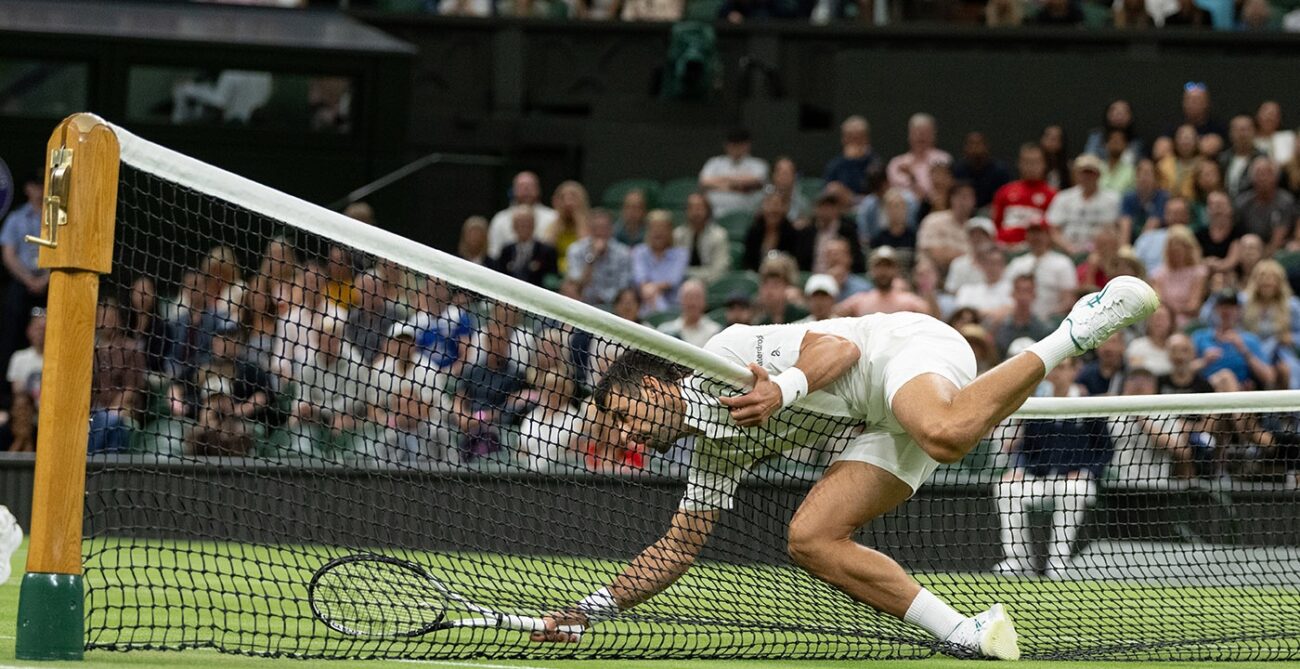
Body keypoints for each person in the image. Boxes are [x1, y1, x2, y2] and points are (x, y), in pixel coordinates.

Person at [533, 275, 1161, 660]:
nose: (620, 432)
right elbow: (679, 545)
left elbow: (841, 346)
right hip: (874, 419)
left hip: (901, 351)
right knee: (810, 538)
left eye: (620, 413)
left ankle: (1072, 332)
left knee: (944, 433)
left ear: (654, 385)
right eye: (611, 426)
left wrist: (782, 389)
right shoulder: (714, 451)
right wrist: (590, 611)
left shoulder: (719, 358)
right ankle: (967, 632)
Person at [994, 354, 1111, 579]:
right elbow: (1026, 449)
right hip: (1040, 478)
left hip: (1077, 480)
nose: (1057, 372)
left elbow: (1105, 450)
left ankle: (1058, 562)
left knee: (1071, 490)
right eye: (1054, 368)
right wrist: (1018, 469)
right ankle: (1017, 561)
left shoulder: (1088, 405)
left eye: (1063, 367)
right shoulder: (1039, 404)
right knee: (1006, 488)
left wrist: (1086, 473)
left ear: (1075, 371)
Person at [0, 171, 48, 404]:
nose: (40, 189)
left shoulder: (55, 218)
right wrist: (29, 280)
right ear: (28, 188)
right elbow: (8, 255)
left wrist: (45, 279)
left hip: (49, 282)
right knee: (12, 309)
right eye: (36, 185)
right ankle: (7, 397)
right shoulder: (16, 219)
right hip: (23, 282)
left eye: (43, 184)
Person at [1192, 289, 1276, 390]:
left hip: (1239, 389)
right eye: (1223, 306)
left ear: (1239, 310)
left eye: (1231, 307)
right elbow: (1183, 372)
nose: (1227, 311)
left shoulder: (1249, 340)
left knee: (1227, 378)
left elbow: (1269, 377)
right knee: (1225, 376)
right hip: (1205, 388)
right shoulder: (1200, 337)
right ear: (1215, 309)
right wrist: (1204, 361)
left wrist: (1244, 351)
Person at [1046, 155, 1122, 256]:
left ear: (1099, 174)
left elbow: (1117, 231)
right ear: (1076, 174)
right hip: (1066, 251)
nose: (1087, 176)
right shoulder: (1063, 197)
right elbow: (1053, 230)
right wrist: (1069, 248)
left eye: (1091, 172)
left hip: (1099, 254)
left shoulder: (1113, 199)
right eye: (1083, 172)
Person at [1005, 222, 1078, 322]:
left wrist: (1051, 316)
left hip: (1049, 319)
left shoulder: (1062, 263)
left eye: (1039, 233)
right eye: (1032, 233)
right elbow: (1006, 293)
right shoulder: (1017, 263)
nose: (1035, 237)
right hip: (1019, 319)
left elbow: (1068, 300)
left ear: (1048, 236)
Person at [563, 209, 633, 308]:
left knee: (628, 296)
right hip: (581, 303)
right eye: (595, 228)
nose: (600, 232)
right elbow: (576, 284)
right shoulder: (575, 249)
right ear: (589, 230)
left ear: (611, 230)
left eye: (604, 228)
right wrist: (592, 258)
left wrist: (603, 298)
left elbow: (623, 286)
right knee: (568, 288)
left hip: (612, 306)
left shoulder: (623, 253)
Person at [992, 144, 1057, 247]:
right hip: (1005, 247)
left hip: (1035, 249)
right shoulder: (1004, 191)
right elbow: (995, 224)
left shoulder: (1052, 195)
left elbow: (1053, 230)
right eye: (1027, 162)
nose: (1031, 166)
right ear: (1019, 164)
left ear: (1044, 164)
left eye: (1035, 162)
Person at [836, 247, 930, 317]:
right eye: (879, 266)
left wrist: (928, 287)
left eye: (888, 266)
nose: (883, 272)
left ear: (896, 270)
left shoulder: (909, 302)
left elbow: (932, 319)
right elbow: (834, 315)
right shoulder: (859, 301)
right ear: (870, 270)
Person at [699, 128, 769, 217]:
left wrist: (721, 184)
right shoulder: (714, 162)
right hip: (716, 214)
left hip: (749, 214)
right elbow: (704, 181)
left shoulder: (759, 164)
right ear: (726, 145)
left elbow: (756, 180)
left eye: (739, 144)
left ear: (747, 145)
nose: (735, 147)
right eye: (732, 144)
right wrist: (736, 186)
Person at [488, 171, 558, 258]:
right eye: (521, 186)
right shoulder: (500, 219)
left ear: (538, 189)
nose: (526, 190)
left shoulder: (553, 217)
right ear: (513, 190)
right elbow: (494, 252)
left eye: (530, 186)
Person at [631, 211, 688, 316]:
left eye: (662, 228)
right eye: (654, 228)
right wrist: (649, 290)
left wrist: (654, 288)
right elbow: (640, 279)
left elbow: (673, 280)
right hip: (644, 303)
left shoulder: (681, 254)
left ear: (670, 231)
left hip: (672, 308)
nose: (658, 232)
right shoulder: (639, 252)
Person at [1235, 158, 1296, 255]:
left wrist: (1265, 255)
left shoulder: (1285, 201)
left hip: (1280, 250)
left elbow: (1278, 238)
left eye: (1267, 173)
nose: (1262, 178)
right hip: (1250, 248)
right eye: (1258, 174)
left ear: (1276, 177)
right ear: (1252, 178)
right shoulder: (1243, 203)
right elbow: (1237, 235)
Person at [1151, 226, 1207, 327]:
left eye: (1181, 245)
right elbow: (1157, 304)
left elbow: (1193, 307)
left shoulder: (1199, 273)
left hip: (1188, 322)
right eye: (1172, 245)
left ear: (1189, 248)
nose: (1176, 249)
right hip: (1164, 321)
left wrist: (1172, 309)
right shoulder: (1158, 274)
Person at [887, 113, 952, 200]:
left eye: (925, 132)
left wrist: (913, 178)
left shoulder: (942, 160)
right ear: (909, 135)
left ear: (933, 135)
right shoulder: (896, 163)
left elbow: (936, 194)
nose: (921, 136)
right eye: (917, 132)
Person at [742, 193, 813, 272]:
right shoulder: (754, 232)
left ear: (785, 208)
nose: (773, 209)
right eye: (769, 204)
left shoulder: (793, 234)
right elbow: (748, 263)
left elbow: (796, 263)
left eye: (777, 205)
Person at [917, 181, 976, 272]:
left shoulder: (975, 227)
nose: (963, 202)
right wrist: (966, 256)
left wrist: (950, 252)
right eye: (960, 197)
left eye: (968, 197)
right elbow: (936, 254)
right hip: (933, 274)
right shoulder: (933, 220)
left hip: (963, 276)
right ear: (951, 198)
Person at [673, 192, 730, 285]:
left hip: (710, 284)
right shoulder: (677, 235)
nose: (695, 213)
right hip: (682, 285)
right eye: (691, 208)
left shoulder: (719, 235)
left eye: (699, 208)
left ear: (708, 211)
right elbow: (673, 268)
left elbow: (720, 271)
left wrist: (689, 275)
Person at [991, 274, 1052, 359]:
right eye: (1019, 291)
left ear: (1034, 295)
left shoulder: (1044, 330)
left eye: (1027, 291)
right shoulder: (1001, 330)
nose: (1023, 296)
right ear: (1012, 294)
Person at [496, 206, 559, 286]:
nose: (524, 226)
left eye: (527, 223)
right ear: (513, 226)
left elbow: (552, 281)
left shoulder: (546, 251)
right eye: (520, 223)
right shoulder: (506, 251)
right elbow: (500, 277)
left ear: (534, 225)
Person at [951, 131, 1012, 209]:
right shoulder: (958, 170)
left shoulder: (1000, 171)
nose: (975, 148)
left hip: (991, 212)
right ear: (965, 148)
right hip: (964, 210)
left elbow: (1005, 196)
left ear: (986, 146)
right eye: (971, 144)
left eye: (978, 144)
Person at [823, 115, 881, 196]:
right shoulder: (835, 165)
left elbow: (878, 193)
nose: (855, 142)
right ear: (843, 139)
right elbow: (827, 194)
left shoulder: (874, 162)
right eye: (850, 137)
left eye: (859, 137)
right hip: (842, 206)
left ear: (866, 139)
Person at [808, 193, 865, 274]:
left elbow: (857, 260)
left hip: (841, 276)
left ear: (837, 209)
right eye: (822, 207)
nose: (825, 211)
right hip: (814, 276)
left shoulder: (848, 231)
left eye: (829, 207)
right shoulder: (808, 231)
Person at [657, 279, 721, 348]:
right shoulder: (665, 331)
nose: (693, 303)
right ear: (680, 300)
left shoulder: (714, 332)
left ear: (704, 301)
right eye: (688, 297)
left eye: (697, 297)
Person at [1120, 159, 1169, 246]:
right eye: (1141, 173)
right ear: (1136, 176)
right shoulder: (1128, 197)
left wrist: (1139, 249)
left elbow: (1153, 224)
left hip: (1154, 242)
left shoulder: (1162, 197)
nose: (1144, 177)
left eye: (1148, 174)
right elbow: (1125, 226)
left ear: (1155, 177)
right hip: (1133, 239)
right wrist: (1124, 250)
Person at [1220, 115, 1266, 199]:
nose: (1242, 134)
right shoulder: (1223, 159)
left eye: (1246, 129)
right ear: (1230, 134)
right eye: (1237, 130)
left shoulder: (1262, 159)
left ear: (1255, 132)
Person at [1125, 303, 1175, 377]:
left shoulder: (1177, 347)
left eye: (1163, 318)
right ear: (1148, 322)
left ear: (1171, 322)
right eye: (1156, 318)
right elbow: (1137, 373)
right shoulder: (1137, 346)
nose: (1159, 323)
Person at [1075, 332, 1127, 396]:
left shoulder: (1131, 374)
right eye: (1103, 342)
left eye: (1113, 342)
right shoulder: (1085, 374)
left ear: (1122, 346)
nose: (1108, 348)